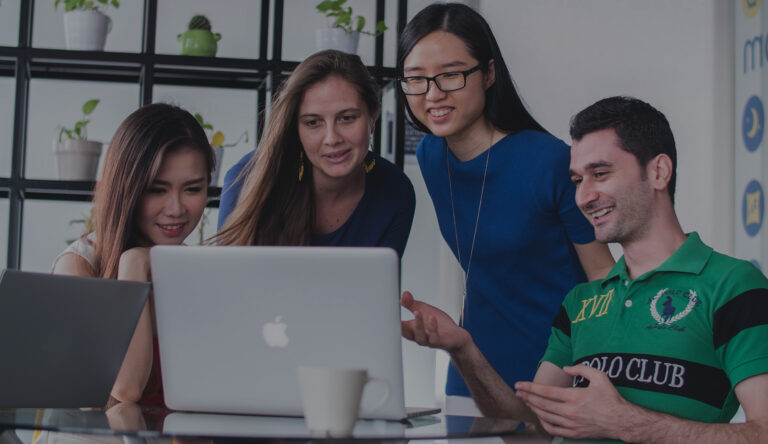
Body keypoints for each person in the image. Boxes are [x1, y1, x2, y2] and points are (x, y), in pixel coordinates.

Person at [401, 96, 768, 441]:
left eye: (601, 173)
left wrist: (625, 422)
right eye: (577, 179)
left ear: (658, 171)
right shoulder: (581, 301)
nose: (583, 196)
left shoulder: (733, 285)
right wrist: (463, 348)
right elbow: (530, 428)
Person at [396, 3, 614, 409]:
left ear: (489, 73)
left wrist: (599, 373)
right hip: (472, 369)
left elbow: (603, 275)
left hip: (557, 370)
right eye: (416, 79)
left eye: (451, 75)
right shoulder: (431, 155)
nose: (433, 94)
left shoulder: (548, 161)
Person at [52, 103, 214, 405]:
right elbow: (125, 389)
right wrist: (134, 265)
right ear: (127, 188)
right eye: (157, 189)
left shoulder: (192, 270)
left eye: (192, 189)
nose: (176, 209)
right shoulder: (77, 265)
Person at [215, 50, 415, 257]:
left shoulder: (395, 191)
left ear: (372, 117)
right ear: (296, 128)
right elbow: (227, 282)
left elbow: (379, 286)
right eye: (313, 122)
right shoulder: (247, 177)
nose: (332, 138)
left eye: (347, 118)